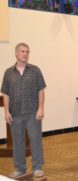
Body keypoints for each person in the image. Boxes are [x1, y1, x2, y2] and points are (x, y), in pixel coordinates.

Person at [1, 43, 46, 178]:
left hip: (33, 112)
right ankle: (20, 169)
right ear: (16, 54)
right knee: (18, 142)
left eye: (27, 51)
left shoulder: (35, 70)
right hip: (15, 114)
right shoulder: (8, 73)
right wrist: (6, 112)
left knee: (35, 140)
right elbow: (6, 94)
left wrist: (41, 108)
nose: (25, 54)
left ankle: (37, 167)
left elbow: (41, 90)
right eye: (22, 51)